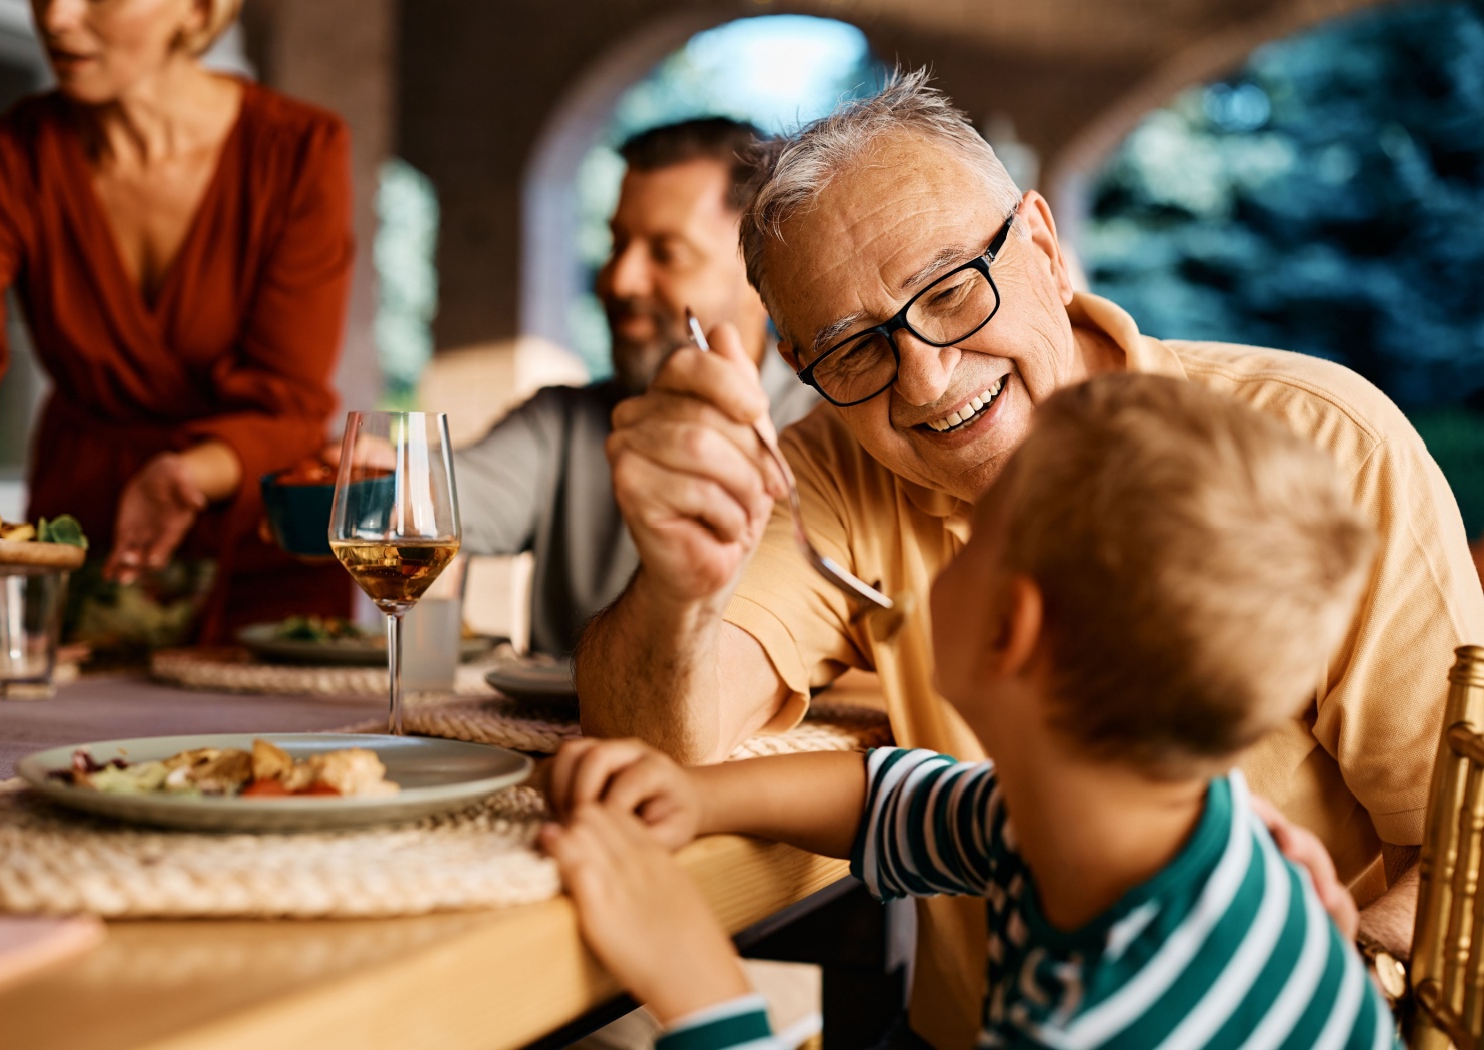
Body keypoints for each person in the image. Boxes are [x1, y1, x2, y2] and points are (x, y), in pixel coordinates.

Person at [577, 70, 1483, 1045]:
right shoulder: (1073, 822)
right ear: (800, 365)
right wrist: (677, 596)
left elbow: (1467, 850)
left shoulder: (1327, 442)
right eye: (851, 349)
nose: (924, 377)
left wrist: (703, 991)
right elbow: (912, 803)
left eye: (952, 288)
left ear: (1045, 247)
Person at [544, 374, 1394, 1049]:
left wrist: (701, 990)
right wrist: (697, 795)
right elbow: (914, 803)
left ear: (1007, 629)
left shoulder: (1104, 1019)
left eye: (974, 533)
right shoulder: (1119, 825)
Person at [0, 0, 352, 638]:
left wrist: (185, 474)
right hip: (86, 544)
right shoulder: (1, 159)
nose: (56, 17)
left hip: (262, 544)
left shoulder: (299, 151)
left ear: (199, 9)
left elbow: (289, 401)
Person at [454, 118, 818, 658]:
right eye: (617, 243)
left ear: (763, 276)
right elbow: (433, 505)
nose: (619, 280)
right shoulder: (557, 422)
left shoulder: (832, 434)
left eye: (666, 253)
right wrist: (362, 480)